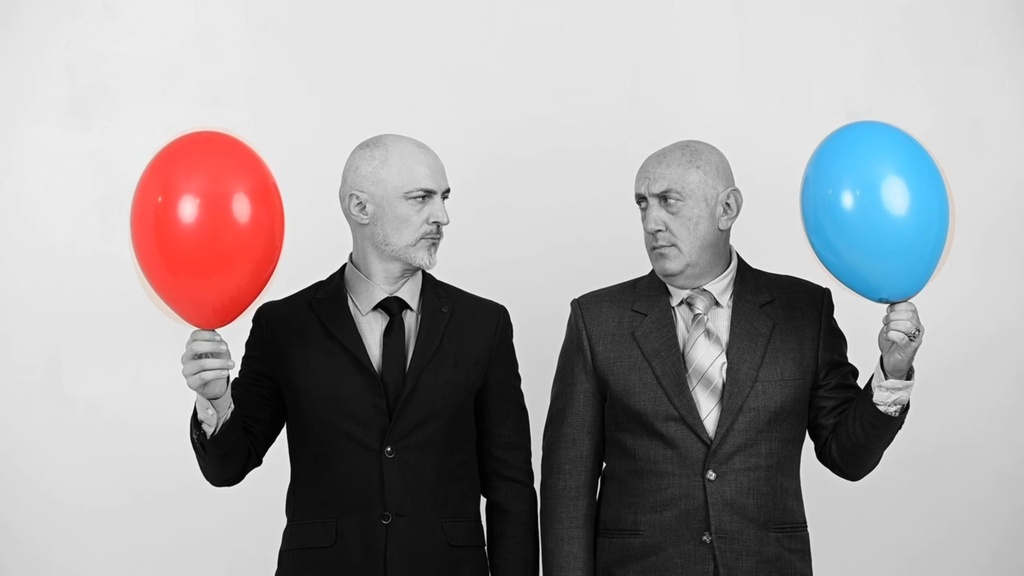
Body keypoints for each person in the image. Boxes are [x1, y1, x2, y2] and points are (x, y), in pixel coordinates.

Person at [540, 140, 924, 575]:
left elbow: (847, 457)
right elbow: (567, 488)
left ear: (727, 209)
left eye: (668, 201)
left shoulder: (803, 312)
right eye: (642, 204)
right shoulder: (596, 320)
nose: (651, 222)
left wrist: (892, 372)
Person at [181, 134, 539, 576]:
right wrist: (217, 400)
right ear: (360, 207)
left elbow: (511, 485)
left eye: (443, 198)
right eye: (421, 198)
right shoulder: (284, 325)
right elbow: (229, 466)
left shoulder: (484, 324)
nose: (442, 217)